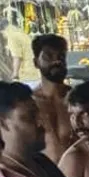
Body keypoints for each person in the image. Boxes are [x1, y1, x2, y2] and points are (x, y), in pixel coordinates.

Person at [32, 34, 74, 164]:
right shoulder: (29, 104)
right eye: (48, 57)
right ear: (36, 63)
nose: (56, 61)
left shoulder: (77, 100)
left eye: (61, 56)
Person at [1, 13, 40, 83]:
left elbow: (17, 57)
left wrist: (15, 75)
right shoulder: (19, 32)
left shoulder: (11, 36)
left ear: (3, 30)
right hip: (35, 71)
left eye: (2, 33)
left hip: (28, 75)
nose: (3, 36)